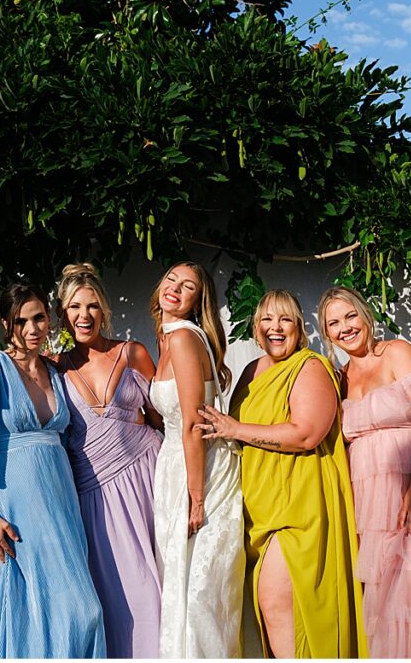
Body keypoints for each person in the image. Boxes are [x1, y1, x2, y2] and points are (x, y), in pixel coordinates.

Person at [0, 282, 105, 658]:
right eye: (21, 321)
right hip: (15, 506)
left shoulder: (56, 372)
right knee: (61, 609)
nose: (32, 329)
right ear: (6, 324)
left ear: (49, 319)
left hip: (62, 503)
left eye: (39, 318)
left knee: (77, 610)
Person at [200, 289, 367, 658]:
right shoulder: (251, 370)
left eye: (285, 319)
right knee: (271, 610)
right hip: (260, 504)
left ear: (299, 328)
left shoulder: (309, 366)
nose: (276, 328)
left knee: (277, 601)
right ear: (256, 328)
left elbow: (306, 433)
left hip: (301, 501)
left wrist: (235, 429)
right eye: (267, 320)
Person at [318, 286, 411, 658]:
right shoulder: (339, 376)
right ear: (326, 333)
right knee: (380, 598)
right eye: (334, 323)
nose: (345, 327)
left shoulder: (395, 352)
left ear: (365, 315)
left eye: (350, 316)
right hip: (368, 503)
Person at [52, 263, 162, 657]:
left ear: (105, 310)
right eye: (75, 307)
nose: (84, 316)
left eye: (93, 306)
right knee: (115, 601)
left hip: (146, 482)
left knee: (155, 593)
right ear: (62, 313)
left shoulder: (132, 353)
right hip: (94, 499)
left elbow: (161, 418)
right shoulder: (54, 368)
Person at [147, 261, 244, 657]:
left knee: (199, 592)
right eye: (171, 279)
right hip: (177, 464)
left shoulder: (185, 338)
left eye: (187, 286)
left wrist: (197, 497)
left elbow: (191, 423)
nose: (175, 288)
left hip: (196, 468)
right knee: (185, 585)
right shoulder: (169, 336)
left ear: (196, 301)